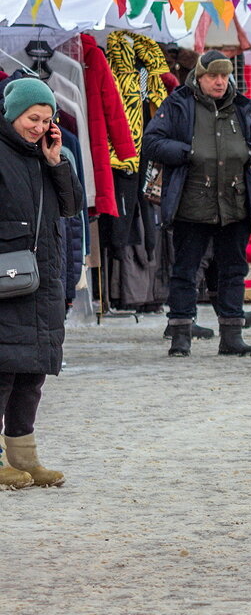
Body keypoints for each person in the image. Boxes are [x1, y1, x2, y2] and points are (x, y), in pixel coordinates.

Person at [144, 50, 251, 359]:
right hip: (191, 204)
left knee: (233, 271)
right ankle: (181, 336)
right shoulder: (178, 104)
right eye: (213, 76)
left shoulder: (243, 107)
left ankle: (231, 337)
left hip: (235, 204)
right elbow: (151, 142)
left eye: (224, 76)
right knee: (185, 271)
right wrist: (187, 152)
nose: (220, 82)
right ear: (199, 77)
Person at [0, 75, 83, 489]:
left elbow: (71, 206)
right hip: (6, 279)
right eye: (33, 118)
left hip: (43, 279)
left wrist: (56, 161)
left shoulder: (49, 153)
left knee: (32, 376)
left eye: (46, 119)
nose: (39, 126)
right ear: (14, 114)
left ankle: (24, 458)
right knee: (2, 373)